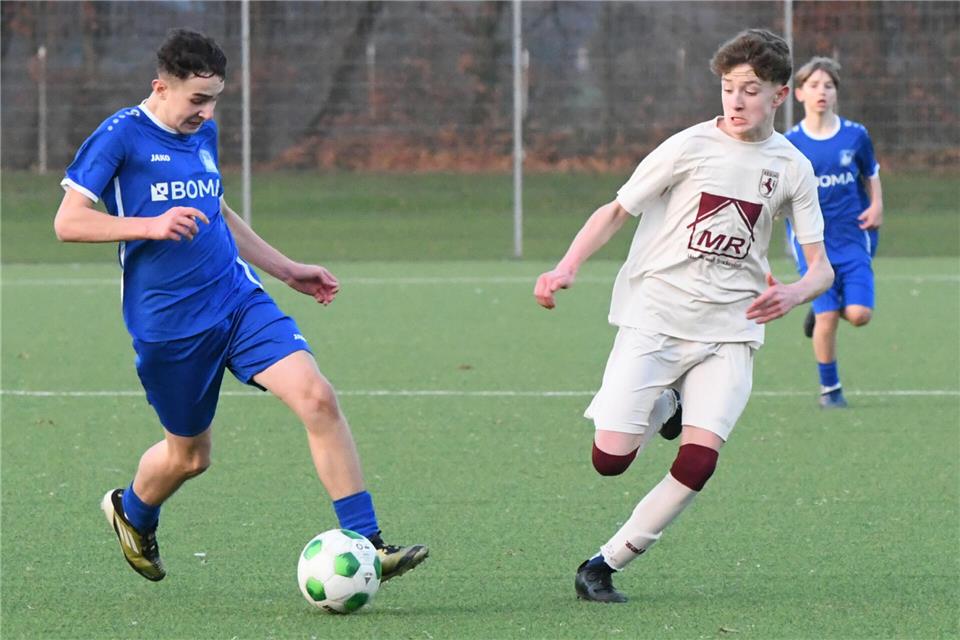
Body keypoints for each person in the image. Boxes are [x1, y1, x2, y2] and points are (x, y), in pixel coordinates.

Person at [54, 29, 427, 583]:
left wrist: (286, 269)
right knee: (190, 458)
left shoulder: (204, 133)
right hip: (170, 325)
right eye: (196, 100)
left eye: (214, 100)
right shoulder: (120, 137)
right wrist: (149, 226)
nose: (206, 113)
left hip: (237, 299)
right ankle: (131, 511)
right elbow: (69, 222)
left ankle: (367, 544)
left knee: (318, 397)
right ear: (161, 87)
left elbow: (218, 211)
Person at [534, 29, 834, 603]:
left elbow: (820, 270)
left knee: (698, 460)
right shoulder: (688, 146)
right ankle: (668, 402)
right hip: (656, 319)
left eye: (751, 89)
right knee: (609, 461)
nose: (737, 101)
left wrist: (795, 293)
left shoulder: (792, 167)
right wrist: (567, 265)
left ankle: (604, 564)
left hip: (730, 330)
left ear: (779, 95)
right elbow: (616, 209)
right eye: (728, 88)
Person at [785, 56, 884, 409]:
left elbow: (870, 172)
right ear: (799, 94)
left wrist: (876, 205)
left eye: (828, 85)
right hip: (811, 244)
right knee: (828, 317)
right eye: (813, 86)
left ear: (836, 92)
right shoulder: (789, 143)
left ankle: (825, 304)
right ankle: (831, 391)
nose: (821, 92)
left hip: (854, 236)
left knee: (859, 315)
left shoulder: (855, 135)